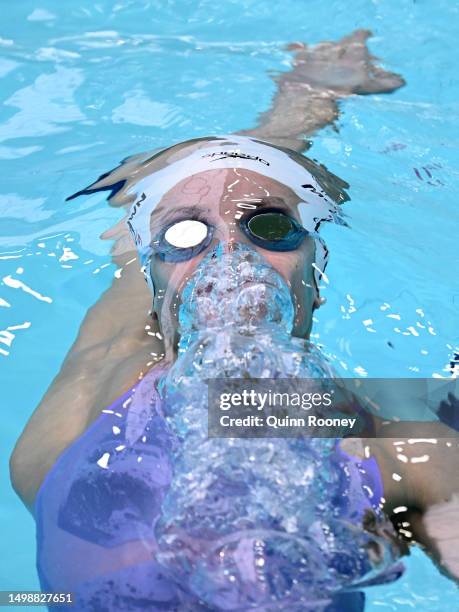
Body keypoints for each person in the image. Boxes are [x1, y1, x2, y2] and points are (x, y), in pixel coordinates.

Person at [10, 30, 459, 611]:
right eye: (185, 234)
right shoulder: (89, 397)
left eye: (271, 226)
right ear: (156, 287)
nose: (231, 255)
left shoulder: (408, 455)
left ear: (314, 284)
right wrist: (299, 108)